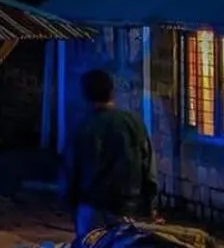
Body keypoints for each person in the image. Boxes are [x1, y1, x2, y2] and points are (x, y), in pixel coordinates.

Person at [62, 68, 159, 241]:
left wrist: (72, 203)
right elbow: (149, 169)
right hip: (128, 208)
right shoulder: (133, 123)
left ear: (85, 96)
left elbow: (71, 171)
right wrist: (149, 207)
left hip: (92, 206)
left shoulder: (83, 127)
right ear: (112, 92)